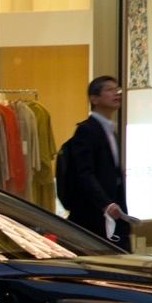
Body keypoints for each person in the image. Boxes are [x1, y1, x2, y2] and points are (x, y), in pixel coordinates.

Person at [57, 75, 131, 251]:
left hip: (112, 213)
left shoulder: (110, 130)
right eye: (110, 90)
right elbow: (84, 173)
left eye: (118, 90)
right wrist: (105, 203)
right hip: (94, 214)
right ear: (94, 98)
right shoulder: (86, 130)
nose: (116, 94)